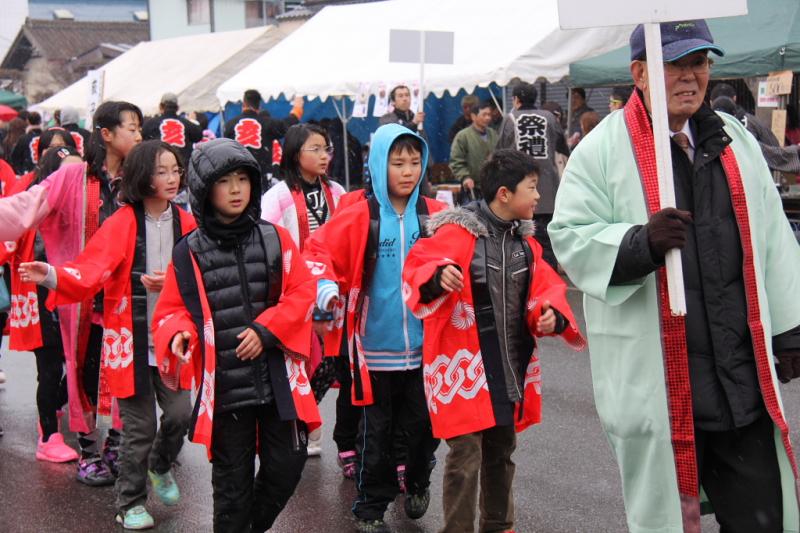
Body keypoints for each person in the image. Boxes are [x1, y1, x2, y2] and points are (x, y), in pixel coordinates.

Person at [549, 20, 800, 533]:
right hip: (662, 385)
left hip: (740, 384)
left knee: (764, 520)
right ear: (639, 73)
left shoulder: (736, 143)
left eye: (700, 63)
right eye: (675, 64)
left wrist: (790, 327)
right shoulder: (600, 151)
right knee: (668, 520)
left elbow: (772, 235)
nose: (690, 77)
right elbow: (570, 236)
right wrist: (639, 243)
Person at [403, 149, 585, 533]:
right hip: (463, 368)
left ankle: (499, 526)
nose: (538, 197)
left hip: (507, 366)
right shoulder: (455, 232)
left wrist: (548, 314)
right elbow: (419, 265)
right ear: (504, 194)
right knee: (465, 455)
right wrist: (438, 278)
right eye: (532, 188)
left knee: (502, 451)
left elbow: (546, 288)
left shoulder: (525, 243)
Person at [19, 140, 197, 530]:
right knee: (139, 429)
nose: (171, 178)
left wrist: (173, 282)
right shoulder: (122, 221)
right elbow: (89, 269)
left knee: (181, 415)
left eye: (175, 170)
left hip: (173, 340)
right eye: (161, 171)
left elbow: (202, 273)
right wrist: (49, 274)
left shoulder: (187, 221)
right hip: (129, 341)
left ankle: (160, 464)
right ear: (141, 177)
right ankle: (129, 502)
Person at [152, 138, 319, 533]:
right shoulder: (186, 251)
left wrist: (267, 330)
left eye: (243, 179)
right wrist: (178, 334)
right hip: (225, 387)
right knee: (231, 488)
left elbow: (303, 291)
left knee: (287, 466)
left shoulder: (275, 237)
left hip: (278, 379)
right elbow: (173, 311)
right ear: (204, 188)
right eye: (224, 181)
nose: (235, 189)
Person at [304, 124, 445, 532]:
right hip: (371, 350)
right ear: (378, 164)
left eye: (415, 162)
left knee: (424, 427)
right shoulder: (359, 216)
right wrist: (327, 290)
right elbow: (317, 255)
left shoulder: (435, 216)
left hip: (427, 348)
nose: (407, 171)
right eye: (397, 162)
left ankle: (418, 481)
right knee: (376, 436)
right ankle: (370, 508)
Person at [260, 123, 348, 456]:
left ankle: (307, 423)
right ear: (297, 153)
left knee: (331, 363)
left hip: (333, 290)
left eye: (327, 149)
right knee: (302, 361)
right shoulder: (278, 195)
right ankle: (302, 426)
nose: (325, 155)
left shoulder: (337, 192)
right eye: (316, 149)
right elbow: (268, 240)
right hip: (297, 292)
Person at [73, 100, 143, 486]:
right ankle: (87, 448)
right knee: (84, 372)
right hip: (83, 297)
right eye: (131, 128)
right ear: (106, 134)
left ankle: (117, 443)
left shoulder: (138, 180)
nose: (138, 136)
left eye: (139, 128)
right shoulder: (79, 180)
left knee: (125, 373)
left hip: (128, 296)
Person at [0, 145, 82, 464]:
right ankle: (49, 433)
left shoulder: (91, 207)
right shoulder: (34, 205)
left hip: (78, 295)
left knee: (80, 365)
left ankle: (60, 412)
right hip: (40, 296)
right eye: (67, 173)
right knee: (49, 366)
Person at [497, 81, 569, 269]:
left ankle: (527, 283)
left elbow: (500, 154)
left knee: (521, 243)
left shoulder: (510, 119)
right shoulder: (549, 118)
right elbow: (563, 147)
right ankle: (549, 284)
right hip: (547, 193)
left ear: (516, 100)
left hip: (518, 192)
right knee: (546, 244)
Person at [710, 82, 800, 174]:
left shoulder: (701, 129)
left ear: (711, 102)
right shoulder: (752, 124)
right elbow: (773, 148)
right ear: (735, 98)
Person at [224, 89, 303, 190]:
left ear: (243, 104)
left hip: (238, 176)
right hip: (261, 176)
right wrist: (297, 108)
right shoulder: (267, 124)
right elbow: (287, 124)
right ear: (259, 107)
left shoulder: (230, 125)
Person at [449, 101, 498, 201]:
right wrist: (465, 177)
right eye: (484, 114)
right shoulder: (463, 136)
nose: (488, 118)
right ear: (473, 116)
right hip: (472, 188)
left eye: (489, 114)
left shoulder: (493, 134)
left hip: (492, 186)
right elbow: (456, 160)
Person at [143, 93, 203, 167]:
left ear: (160, 106)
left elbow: (144, 141)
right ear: (177, 108)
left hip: (158, 167)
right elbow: (199, 136)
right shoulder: (187, 123)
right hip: (183, 168)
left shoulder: (150, 124)